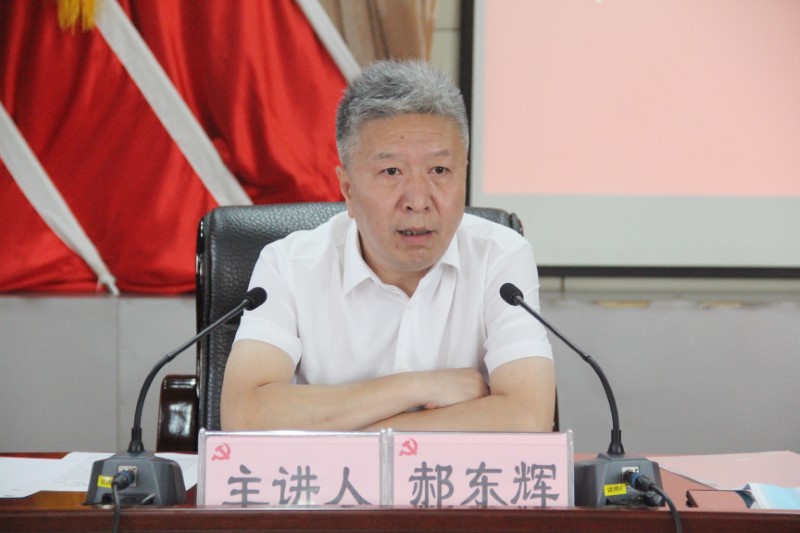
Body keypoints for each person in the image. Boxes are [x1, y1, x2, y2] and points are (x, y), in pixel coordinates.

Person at [220, 60, 554, 433]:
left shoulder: (500, 256)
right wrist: (419, 387)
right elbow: (244, 414)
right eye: (391, 172)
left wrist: (361, 437)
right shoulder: (288, 265)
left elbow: (528, 417)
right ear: (348, 190)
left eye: (439, 171)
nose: (418, 201)